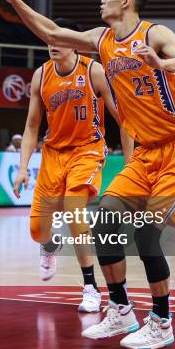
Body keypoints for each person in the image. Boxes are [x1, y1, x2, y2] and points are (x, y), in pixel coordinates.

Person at [0, 0, 175, 349]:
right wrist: (14, 1)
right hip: (145, 153)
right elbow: (52, 34)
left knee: (145, 234)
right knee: (103, 218)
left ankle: (162, 320)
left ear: (126, 1)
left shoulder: (152, 34)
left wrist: (161, 63)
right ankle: (121, 310)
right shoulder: (102, 39)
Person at [13, 17, 132, 313]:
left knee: (73, 208)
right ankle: (49, 245)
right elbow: (31, 126)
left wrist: (131, 164)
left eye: (59, 39)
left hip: (87, 150)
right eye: (49, 40)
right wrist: (23, 167)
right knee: (39, 230)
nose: (52, 44)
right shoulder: (41, 76)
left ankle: (91, 286)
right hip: (53, 153)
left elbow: (126, 121)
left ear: (74, 42)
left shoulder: (94, 71)